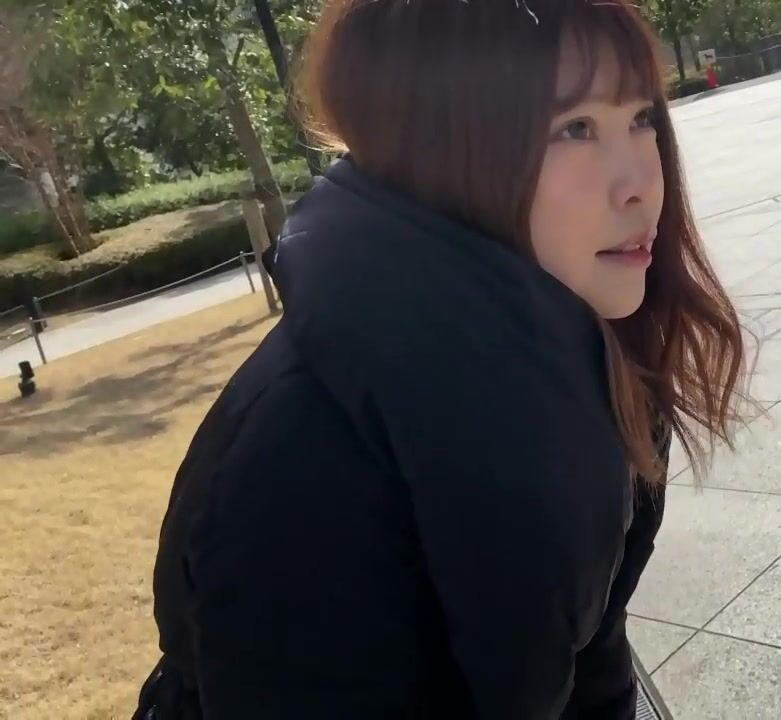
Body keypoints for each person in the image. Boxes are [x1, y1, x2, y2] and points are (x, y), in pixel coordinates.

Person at [132, 0, 747, 717]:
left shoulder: (590, 344)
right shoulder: (301, 454)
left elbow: (592, 649)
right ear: (439, 154)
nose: (641, 182)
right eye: (574, 128)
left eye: (641, 117)